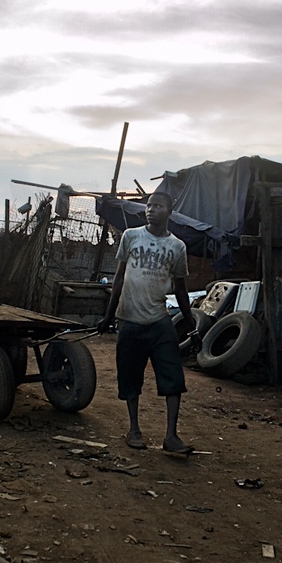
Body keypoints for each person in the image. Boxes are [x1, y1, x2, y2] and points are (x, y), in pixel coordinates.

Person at [96, 191, 196, 456]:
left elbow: (181, 289)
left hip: (159, 322)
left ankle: (171, 436)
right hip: (129, 320)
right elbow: (118, 278)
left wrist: (192, 325)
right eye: (149, 205)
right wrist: (108, 316)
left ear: (169, 212)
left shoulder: (177, 247)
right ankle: (134, 430)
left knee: (173, 378)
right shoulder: (131, 237)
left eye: (158, 206)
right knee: (130, 377)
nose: (151, 210)